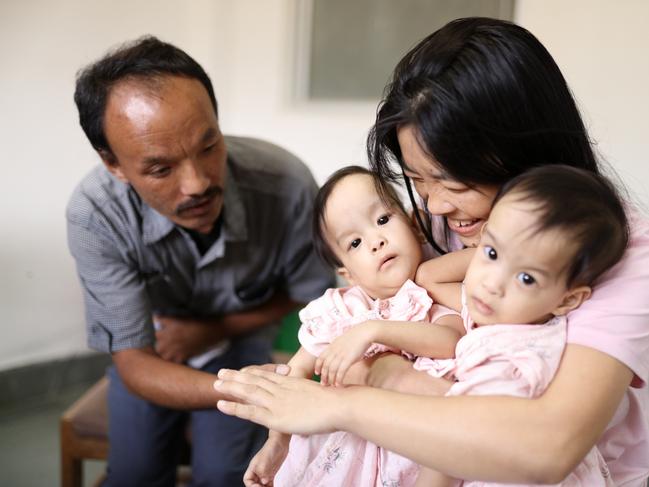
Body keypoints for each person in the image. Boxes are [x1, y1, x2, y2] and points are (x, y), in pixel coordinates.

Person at [213, 17, 649, 486]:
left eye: (452, 179)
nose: (435, 206)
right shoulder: (429, 224)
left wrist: (352, 397)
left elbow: (546, 447)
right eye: (418, 180)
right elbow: (366, 327)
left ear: (525, 149)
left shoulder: (626, 256)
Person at [66, 36, 334, 486]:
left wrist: (217, 331)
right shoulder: (95, 216)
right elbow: (135, 363)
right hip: (153, 348)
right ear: (113, 163)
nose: (196, 184)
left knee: (225, 475)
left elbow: (311, 295)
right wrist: (242, 389)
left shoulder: (286, 185)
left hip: (244, 345)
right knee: (135, 474)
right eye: (160, 169)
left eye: (208, 147)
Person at [245, 166, 466, 487]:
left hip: (417, 452)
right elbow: (295, 373)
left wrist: (374, 331)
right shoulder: (341, 310)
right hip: (349, 460)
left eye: (382, 220)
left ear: (415, 227)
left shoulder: (431, 295)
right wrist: (277, 442)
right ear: (348, 273)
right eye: (355, 243)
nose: (376, 241)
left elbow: (449, 341)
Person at [412, 164, 628, 486]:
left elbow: (449, 447)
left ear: (567, 301)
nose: (493, 284)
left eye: (526, 278)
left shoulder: (515, 358)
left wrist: (497, 250)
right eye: (492, 253)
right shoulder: (508, 315)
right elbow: (429, 278)